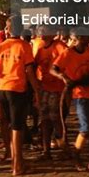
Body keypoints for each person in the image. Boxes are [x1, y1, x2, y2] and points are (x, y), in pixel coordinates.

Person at [0, 15, 40, 176]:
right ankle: (17, 165)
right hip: (17, 89)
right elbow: (29, 71)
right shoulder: (24, 46)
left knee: (8, 125)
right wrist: (37, 91)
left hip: (2, 89)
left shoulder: (2, 46)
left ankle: (14, 160)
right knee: (18, 127)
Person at [51, 31, 89, 172]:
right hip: (80, 95)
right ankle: (77, 156)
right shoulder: (68, 53)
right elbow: (53, 68)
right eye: (85, 37)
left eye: (88, 37)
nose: (88, 40)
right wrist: (64, 77)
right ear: (78, 38)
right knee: (85, 129)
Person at [33, 28, 67, 160]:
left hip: (58, 89)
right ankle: (46, 150)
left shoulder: (59, 46)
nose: (41, 32)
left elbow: (67, 62)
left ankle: (64, 149)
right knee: (45, 120)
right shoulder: (41, 49)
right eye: (39, 30)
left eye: (44, 29)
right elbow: (34, 65)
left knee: (57, 120)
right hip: (44, 89)